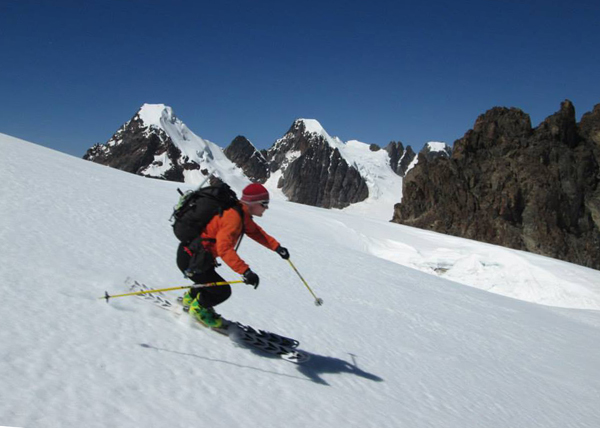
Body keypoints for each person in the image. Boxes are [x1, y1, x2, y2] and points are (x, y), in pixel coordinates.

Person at [176, 183, 290, 328]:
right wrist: (245, 271)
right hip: (191, 259)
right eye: (264, 204)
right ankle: (199, 310)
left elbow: (255, 232)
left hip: (196, 257)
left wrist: (277, 247)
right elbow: (224, 249)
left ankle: (189, 299)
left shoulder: (241, 214)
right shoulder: (233, 218)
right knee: (222, 291)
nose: (266, 208)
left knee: (210, 282)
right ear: (253, 203)